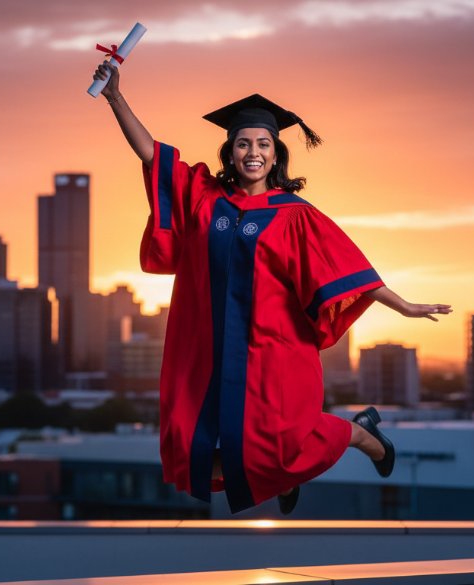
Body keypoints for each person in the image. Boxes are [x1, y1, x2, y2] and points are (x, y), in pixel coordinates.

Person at [93, 62, 452, 515]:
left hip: (271, 351)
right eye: (243, 143)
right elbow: (152, 157)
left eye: (263, 143)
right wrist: (115, 98)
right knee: (191, 454)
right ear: (230, 152)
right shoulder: (205, 198)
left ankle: (361, 435)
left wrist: (402, 305)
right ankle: (283, 477)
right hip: (204, 351)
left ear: (277, 154)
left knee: (280, 447)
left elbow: (346, 268)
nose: (253, 152)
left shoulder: (294, 214)